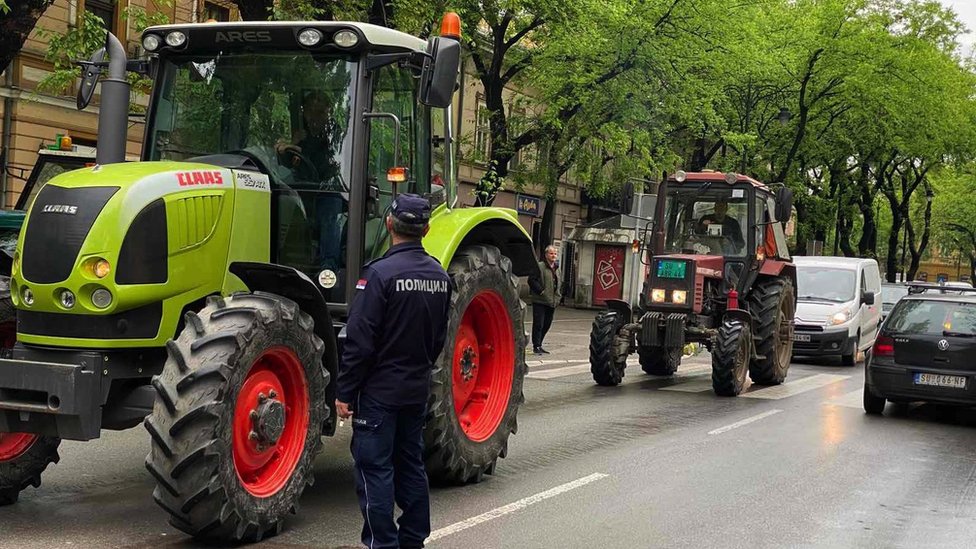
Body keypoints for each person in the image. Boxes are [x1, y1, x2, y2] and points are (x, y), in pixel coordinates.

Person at [335, 193, 452, 549]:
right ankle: (413, 539)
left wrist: (344, 392)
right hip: (415, 388)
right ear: (427, 229)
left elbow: (359, 341)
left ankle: (383, 544)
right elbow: (438, 339)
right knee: (411, 464)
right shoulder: (440, 276)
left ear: (389, 224)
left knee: (375, 470)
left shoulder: (379, 275)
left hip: (380, 393)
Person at [277, 90, 344, 270]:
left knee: (331, 215)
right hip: (299, 188)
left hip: (328, 188)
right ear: (304, 112)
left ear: (328, 112)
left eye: (320, 112)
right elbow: (288, 165)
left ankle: (328, 267)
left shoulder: (336, 135)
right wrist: (285, 150)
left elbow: (333, 162)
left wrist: (303, 151)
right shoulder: (299, 134)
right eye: (311, 112)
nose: (315, 117)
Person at [528, 245, 560, 355]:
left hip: (552, 301)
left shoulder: (556, 268)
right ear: (546, 255)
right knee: (539, 324)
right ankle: (536, 345)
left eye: (555, 254)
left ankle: (540, 344)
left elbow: (559, 284)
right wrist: (541, 291)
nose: (553, 256)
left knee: (547, 324)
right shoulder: (540, 266)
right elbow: (531, 280)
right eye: (551, 253)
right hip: (540, 301)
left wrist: (558, 296)